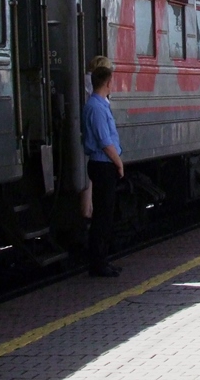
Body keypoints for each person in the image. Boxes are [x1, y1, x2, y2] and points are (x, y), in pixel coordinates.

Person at [82, 63, 124, 277]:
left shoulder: (98, 105)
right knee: (102, 216)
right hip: (103, 164)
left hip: (102, 164)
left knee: (105, 215)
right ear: (107, 82)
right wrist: (118, 162)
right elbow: (104, 141)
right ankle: (99, 264)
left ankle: (103, 260)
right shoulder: (97, 107)